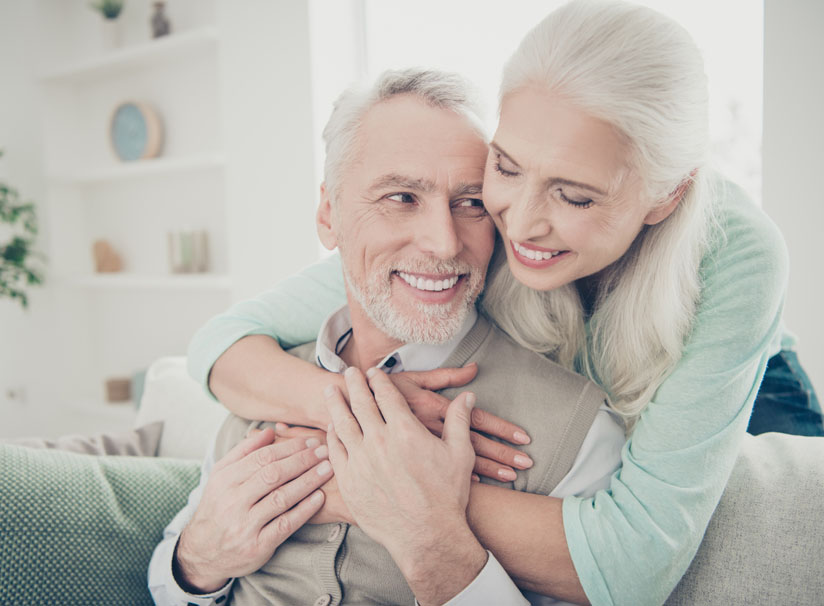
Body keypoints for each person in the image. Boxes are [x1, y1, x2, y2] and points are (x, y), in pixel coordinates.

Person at [186, 1, 824, 605]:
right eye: (508, 167)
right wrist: (367, 417)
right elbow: (223, 346)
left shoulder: (736, 253)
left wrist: (373, 484)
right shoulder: (468, 222)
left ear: (663, 196)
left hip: (750, 396)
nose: (517, 224)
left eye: (574, 197)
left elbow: (632, 563)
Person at [150, 68, 624, 606]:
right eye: (401, 197)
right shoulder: (263, 385)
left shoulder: (577, 430)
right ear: (329, 216)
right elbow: (171, 581)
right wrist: (199, 560)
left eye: (470, 203)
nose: (444, 244)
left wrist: (429, 541)